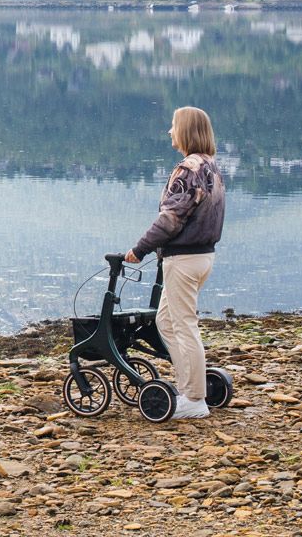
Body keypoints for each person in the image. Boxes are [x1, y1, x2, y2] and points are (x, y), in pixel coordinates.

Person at [124, 104, 225, 419]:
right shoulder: (210, 166)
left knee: (183, 326)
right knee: (166, 321)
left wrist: (140, 249)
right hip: (203, 256)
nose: (170, 130)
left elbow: (170, 219)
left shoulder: (187, 170)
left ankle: (194, 400)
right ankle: (189, 387)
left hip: (183, 259)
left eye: (173, 125)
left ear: (186, 131)